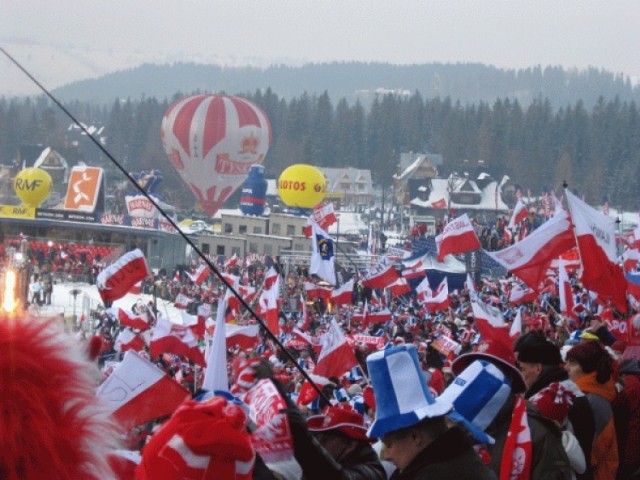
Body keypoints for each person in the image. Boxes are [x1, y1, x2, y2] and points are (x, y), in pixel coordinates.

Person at [450, 337, 574, 479]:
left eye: (485, 372)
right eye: (471, 371)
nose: (475, 379)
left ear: (508, 379)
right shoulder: (454, 425)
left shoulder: (537, 433)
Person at [366, 344, 494, 479]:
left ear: (415, 437)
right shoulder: (459, 459)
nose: (386, 455)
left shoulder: (437, 473)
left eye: (389, 444)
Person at [514, 330, 595, 479]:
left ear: (538, 368)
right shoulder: (567, 387)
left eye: (522, 368)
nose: (521, 374)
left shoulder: (551, 399)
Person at [285, 403, 387, 480]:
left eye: (326, 438)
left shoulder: (372, 472)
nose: (320, 442)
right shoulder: (339, 460)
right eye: (318, 437)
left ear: (351, 445)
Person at [565, 340, 619, 480]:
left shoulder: (593, 401)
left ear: (587, 368)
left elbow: (594, 451)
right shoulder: (591, 394)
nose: (566, 367)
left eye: (573, 363)